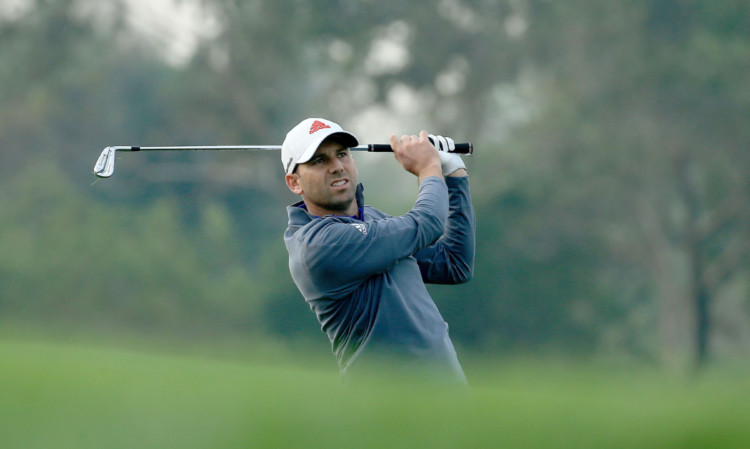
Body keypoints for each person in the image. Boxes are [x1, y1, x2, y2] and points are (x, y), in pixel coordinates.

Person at [281, 117, 475, 385]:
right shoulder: (317, 244)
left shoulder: (373, 220)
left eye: (342, 155)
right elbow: (427, 222)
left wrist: (454, 173)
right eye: (319, 161)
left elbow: (454, 264)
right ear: (294, 182)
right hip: (386, 406)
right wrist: (429, 167)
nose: (337, 167)